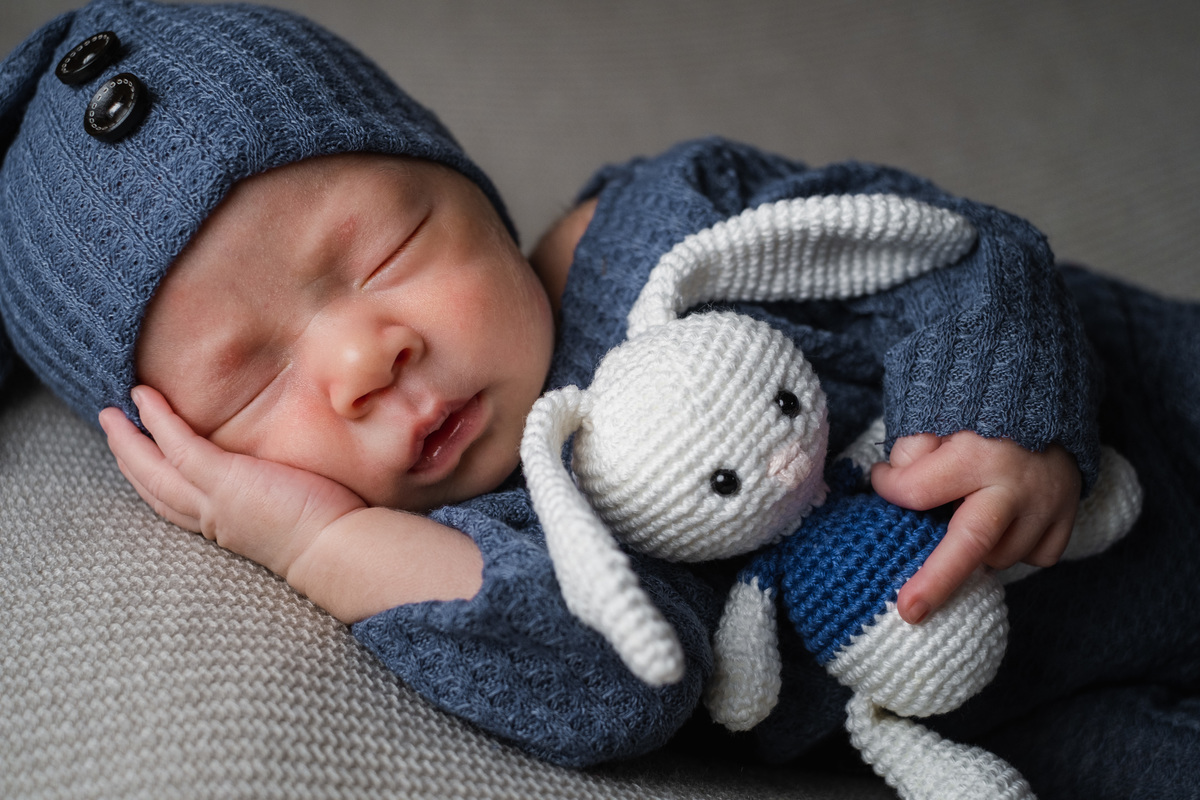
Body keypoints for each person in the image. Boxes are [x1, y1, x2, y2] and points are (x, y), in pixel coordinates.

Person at [1, 1, 1196, 796]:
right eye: (255, 379)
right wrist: (318, 538)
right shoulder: (478, 543)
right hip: (1046, 707)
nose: (368, 358)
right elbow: (619, 687)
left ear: (459, 174)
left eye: (384, 251)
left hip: (1157, 418)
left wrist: (996, 409)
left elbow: (946, 251)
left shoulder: (669, 223)